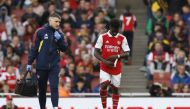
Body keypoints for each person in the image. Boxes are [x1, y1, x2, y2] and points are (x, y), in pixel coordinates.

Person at [26, 13, 67, 109]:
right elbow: (34, 48)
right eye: (56, 21)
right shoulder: (40, 32)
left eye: (59, 22)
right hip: (41, 65)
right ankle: (42, 107)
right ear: (50, 20)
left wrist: (60, 40)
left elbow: (64, 48)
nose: (58, 24)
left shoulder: (60, 34)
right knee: (42, 90)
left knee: (54, 87)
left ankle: (55, 107)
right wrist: (29, 62)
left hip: (54, 65)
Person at [94, 19, 130, 109]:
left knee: (115, 89)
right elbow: (95, 52)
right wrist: (104, 61)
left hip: (116, 67)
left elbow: (127, 53)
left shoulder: (122, 38)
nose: (115, 32)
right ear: (109, 27)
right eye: (114, 29)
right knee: (104, 84)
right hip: (105, 66)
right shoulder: (102, 37)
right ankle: (104, 106)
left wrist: (116, 56)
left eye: (117, 30)